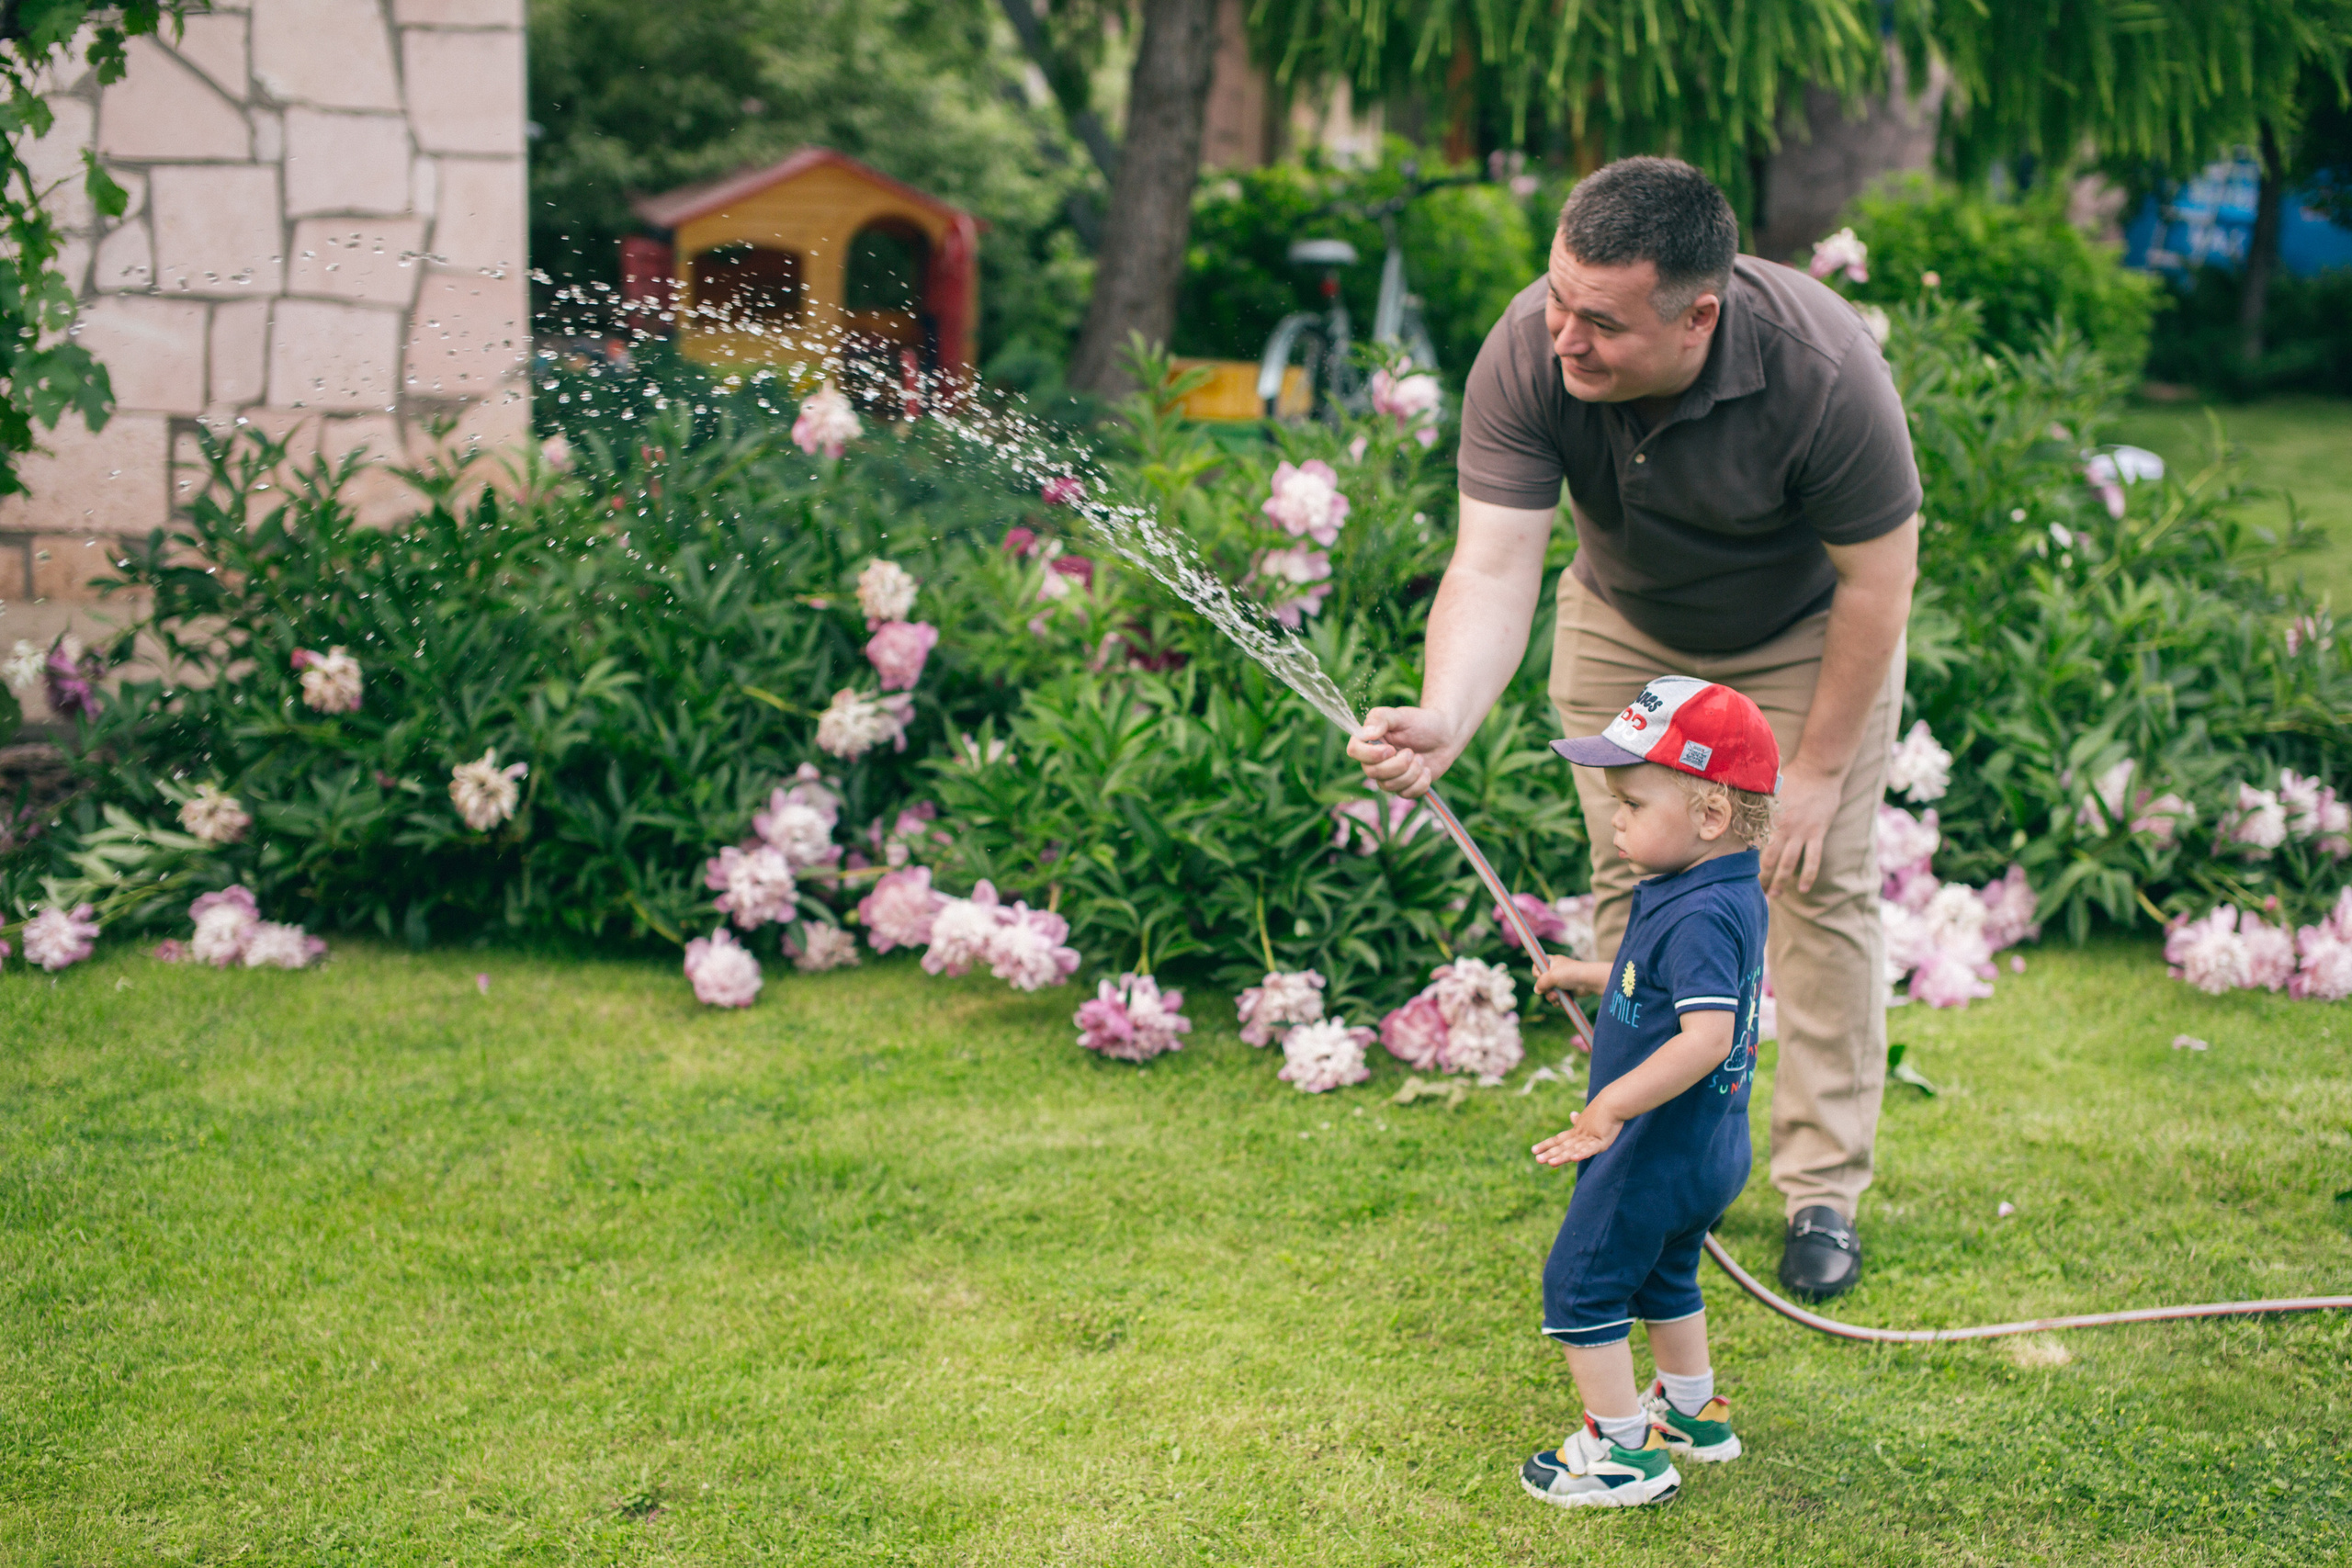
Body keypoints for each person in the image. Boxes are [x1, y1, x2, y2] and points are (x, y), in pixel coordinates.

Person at [1347, 155, 1919, 1301]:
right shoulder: (1531, 345)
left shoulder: (1822, 369)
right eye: (1557, 299)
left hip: (1799, 639)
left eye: (1598, 321)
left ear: (1696, 314)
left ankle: (1821, 1191)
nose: (1564, 337)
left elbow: (1877, 586)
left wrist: (1811, 772)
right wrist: (1448, 713)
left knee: (1812, 889)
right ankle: (1645, 1152)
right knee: (1638, 888)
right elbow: (1497, 558)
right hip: (1624, 623)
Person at [1517, 676, 1775, 1508]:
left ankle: (1624, 1452)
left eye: (1630, 801)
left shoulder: (1697, 911)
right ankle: (1695, 1415)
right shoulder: (1716, 890)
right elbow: (1656, 981)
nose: (1615, 819)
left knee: (1582, 1282)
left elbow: (1703, 1036)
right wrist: (1583, 973)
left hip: (1654, 1146)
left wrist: (1612, 1107)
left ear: (1709, 816)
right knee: (1668, 1273)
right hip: (1710, 1148)